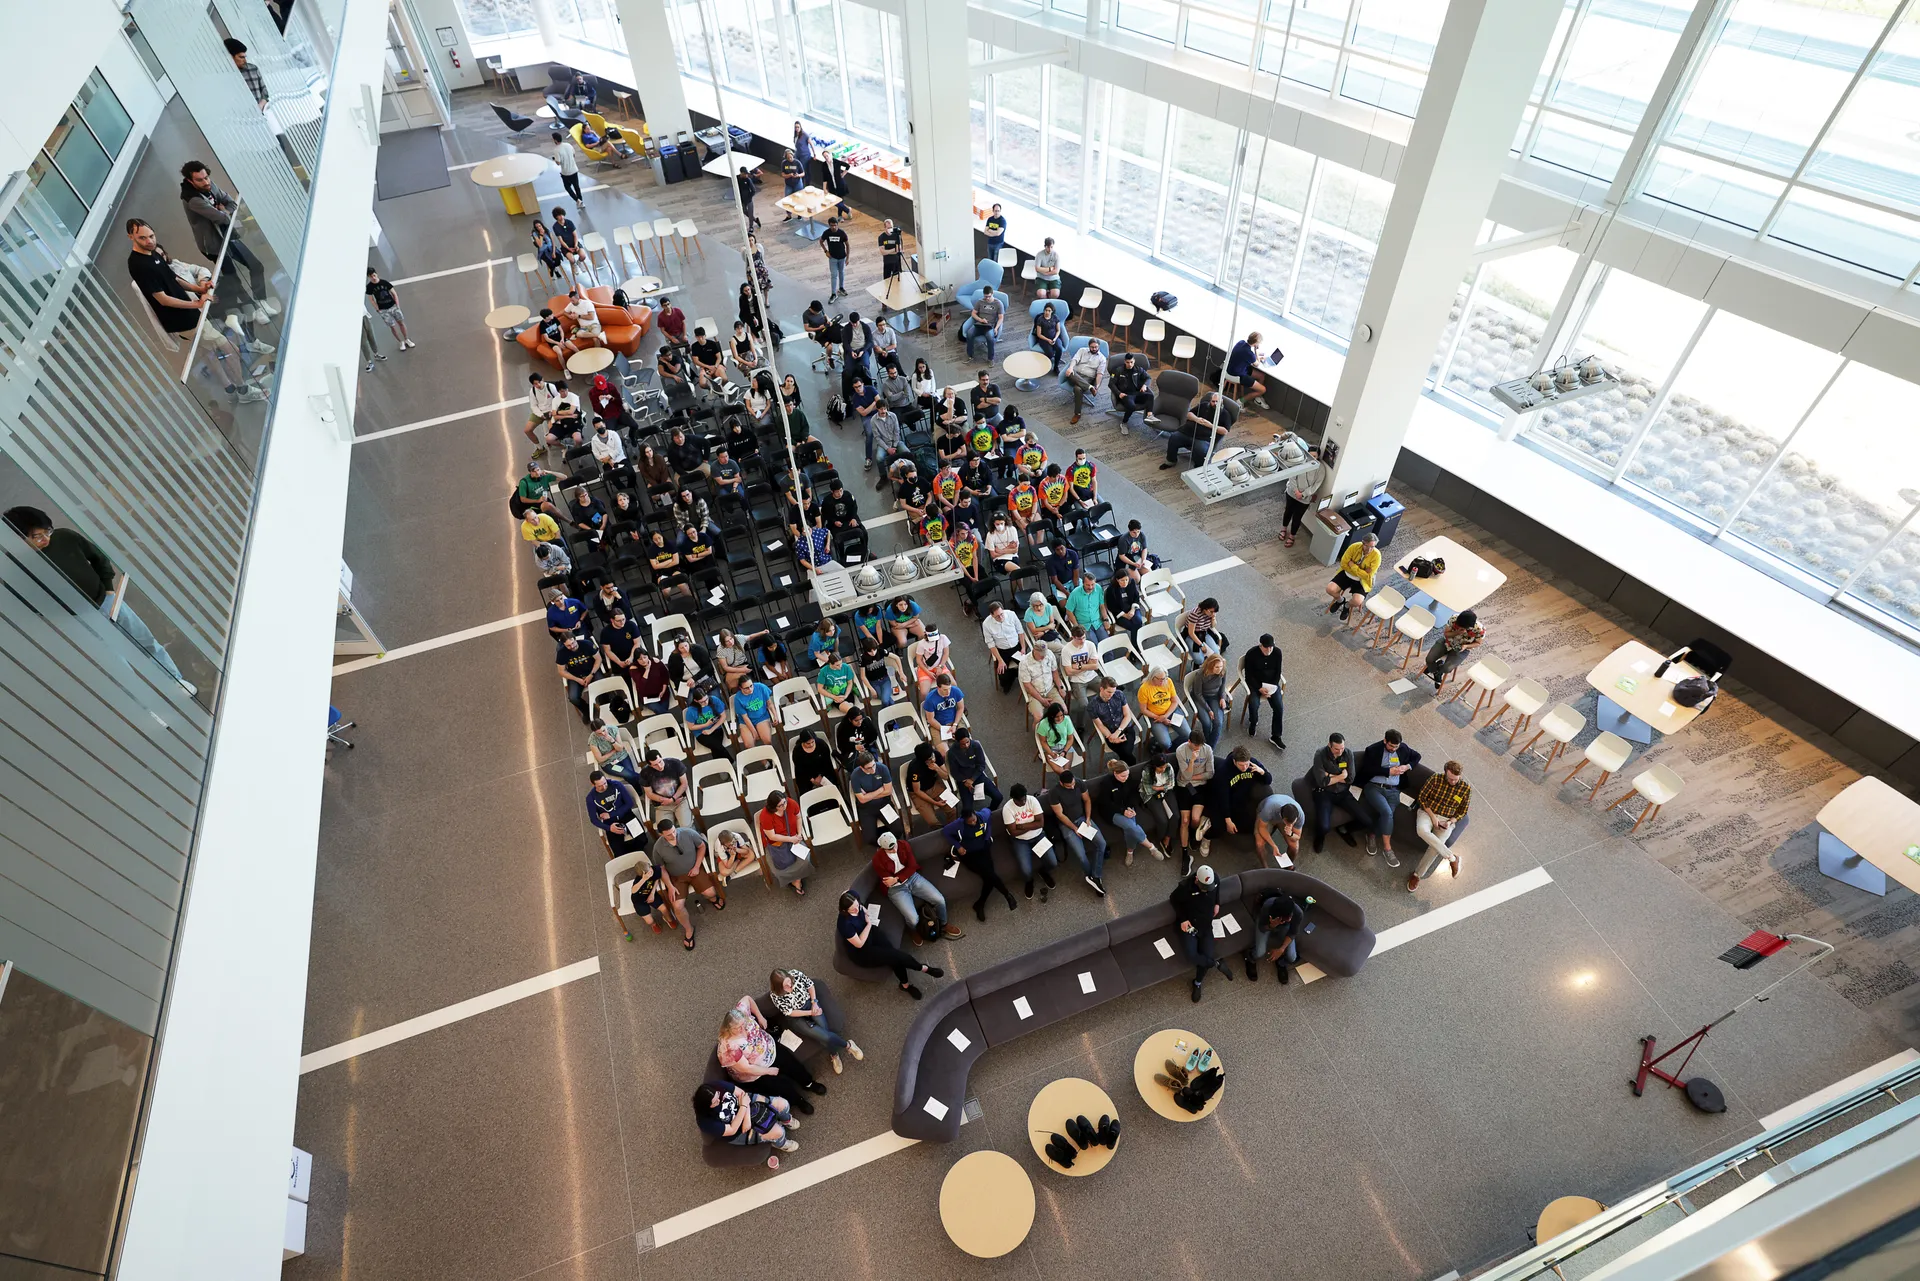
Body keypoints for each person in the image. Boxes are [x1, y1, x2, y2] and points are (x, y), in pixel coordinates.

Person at [5, 506, 195, 694]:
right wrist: (58, 614)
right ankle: (146, 705)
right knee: (117, 666)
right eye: (37, 536)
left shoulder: (64, 537)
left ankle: (175, 681)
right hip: (78, 619)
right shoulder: (16, 564)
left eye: (47, 531)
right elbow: (20, 598)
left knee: (145, 641)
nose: (46, 539)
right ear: (19, 538)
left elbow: (99, 559)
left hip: (106, 600)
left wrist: (109, 589)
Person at [124, 219, 265, 401]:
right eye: (142, 238)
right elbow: (162, 299)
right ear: (131, 237)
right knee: (229, 348)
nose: (149, 241)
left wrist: (199, 289)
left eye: (151, 236)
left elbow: (174, 279)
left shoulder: (153, 254)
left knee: (211, 351)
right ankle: (243, 390)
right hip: (185, 321)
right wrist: (197, 304)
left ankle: (232, 389)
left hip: (192, 315)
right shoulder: (138, 265)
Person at [180, 161, 271, 317]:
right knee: (233, 279)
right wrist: (223, 212)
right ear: (190, 181)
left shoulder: (209, 185)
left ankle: (261, 302)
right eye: (200, 180)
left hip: (227, 235)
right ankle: (255, 309)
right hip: (214, 246)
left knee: (256, 265)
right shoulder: (192, 199)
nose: (206, 182)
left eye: (206, 177)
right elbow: (221, 218)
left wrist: (224, 211)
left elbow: (231, 203)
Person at [717, 994, 825, 1111]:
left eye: (744, 1024)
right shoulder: (728, 1047)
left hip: (769, 1048)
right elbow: (747, 1068)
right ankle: (798, 1100)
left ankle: (808, 1083)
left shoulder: (741, 1012)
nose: (743, 1029)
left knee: (793, 1065)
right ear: (728, 1029)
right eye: (738, 1028)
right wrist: (768, 1071)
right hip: (756, 1072)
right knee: (780, 1086)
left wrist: (760, 1017)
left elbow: (747, 998)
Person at [838, 892, 945, 999]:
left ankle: (905, 985)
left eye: (857, 905)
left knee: (894, 957)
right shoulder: (845, 924)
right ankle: (923, 968)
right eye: (853, 909)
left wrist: (864, 911)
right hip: (863, 951)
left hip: (871, 934)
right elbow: (859, 944)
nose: (857, 909)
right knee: (895, 956)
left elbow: (854, 900)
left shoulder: (855, 901)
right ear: (844, 910)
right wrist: (869, 924)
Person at [871, 829, 962, 943]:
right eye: (890, 849)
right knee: (913, 919)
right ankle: (913, 930)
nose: (894, 850)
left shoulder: (903, 845)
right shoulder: (877, 859)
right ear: (883, 849)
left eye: (895, 846)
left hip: (912, 878)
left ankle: (943, 924)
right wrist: (897, 879)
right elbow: (888, 881)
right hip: (896, 889)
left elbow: (912, 866)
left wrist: (897, 878)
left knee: (939, 900)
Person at [769, 968, 862, 1073]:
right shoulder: (775, 995)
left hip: (810, 1004)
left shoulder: (795, 974)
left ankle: (834, 1054)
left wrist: (814, 1003)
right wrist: (810, 1013)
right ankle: (847, 1045)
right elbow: (790, 1012)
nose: (790, 985)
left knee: (824, 1031)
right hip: (797, 1017)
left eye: (789, 981)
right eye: (786, 985)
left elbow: (810, 985)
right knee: (822, 1035)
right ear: (778, 987)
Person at [693, 1082, 797, 1168]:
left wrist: (746, 1113)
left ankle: (786, 1120)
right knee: (778, 1132)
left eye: (718, 1096)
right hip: (739, 1131)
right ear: (707, 1106)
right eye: (715, 1102)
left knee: (783, 1104)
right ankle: (781, 1143)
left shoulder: (715, 1086)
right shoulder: (705, 1122)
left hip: (746, 1106)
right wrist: (743, 1105)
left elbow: (742, 1094)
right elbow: (732, 1129)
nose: (719, 1100)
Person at [1357, 728, 1421, 867]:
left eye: (1396, 747)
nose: (1393, 749)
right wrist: (1388, 771)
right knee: (1387, 813)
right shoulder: (1373, 749)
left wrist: (1406, 767)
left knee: (1388, 816)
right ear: (1385, 740)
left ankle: (1371, 835)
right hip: (1374, 787)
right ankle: (1387, 849)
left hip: (1394, 791)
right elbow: (1367, 769)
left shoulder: (1403, 748)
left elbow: (1417, 756)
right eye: (1391, 746)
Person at [1170, 865, 1234, 1002]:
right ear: (1196, 880)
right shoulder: (1185, 888)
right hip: (1190, 925)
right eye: (1204, 887)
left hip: (1206, 926)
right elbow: (1174, 899)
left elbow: (1217, 890)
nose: (1206, 890)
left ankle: (1197, 982)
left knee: (1206, 956)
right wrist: (1183, 919)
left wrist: (1217, 903)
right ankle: (1216, 964)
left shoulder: (1215, 879)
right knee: (1191, 955)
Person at [944, 804, 1017, 921]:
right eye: (969, 822)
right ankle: (1007, 895)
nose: (973, 823)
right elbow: (946, 831)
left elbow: (988, 813)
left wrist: (987, 837)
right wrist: (958, 846)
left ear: (975, 814)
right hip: (969, 855)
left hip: (983, 849)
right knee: (990, 875)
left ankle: (980, 904)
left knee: (989, 877)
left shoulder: (982, 816)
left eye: (973, 820)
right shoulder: (958, 824)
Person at [1409, 761, 1471, 892]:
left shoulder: (1465, 788)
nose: (1453, 782)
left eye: (1455, 779)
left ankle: (1417, 875)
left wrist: (1450, 822)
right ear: (1445, 773)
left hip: (1446, 820)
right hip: (1428, 813)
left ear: (1460, 776)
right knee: (1421, 830)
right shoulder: (1435, 779)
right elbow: (1422, 798)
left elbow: (1462, 811)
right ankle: (1452, 858)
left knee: (1434, 848)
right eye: (1450, 779)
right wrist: (1433, 817)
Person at [1045, 770, 1107, 895]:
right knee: (1081, 855)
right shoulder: (1054, 793)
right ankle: (1091, 876)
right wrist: (1074, 828)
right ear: (1061, 783)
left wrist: (1088, 818)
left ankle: (1095, 877)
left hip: (1082, 819)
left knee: (1102, 843)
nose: (1073, 787)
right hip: (1067, 825)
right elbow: (1060, 815)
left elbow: (1087, 800)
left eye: (1073, 784)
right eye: (1069, 786)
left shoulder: (1079, 783)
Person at [1095, 758, 1161, 866]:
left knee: (1129, 829)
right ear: (1115, 773)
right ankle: (1151, 847)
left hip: (1127, 807)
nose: (1126, 778)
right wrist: (1122, 811)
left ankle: (1130, 852)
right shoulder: (1106, 783)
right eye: (1123, 776)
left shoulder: (1128, 778)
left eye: (1127, 775)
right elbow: (1106, 803)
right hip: (1111, 812)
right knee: (1131, 826)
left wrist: (1130, 807)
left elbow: (1131, 794)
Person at [653, 817, 726, 912]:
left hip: (695, 869)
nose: (673, 835)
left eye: (674, 831)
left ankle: (713, 899)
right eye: (669, 835)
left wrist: (697, 867)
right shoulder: (657, 848)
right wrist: (670, 886)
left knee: (711, 893)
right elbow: (661, 868)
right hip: (676, 877)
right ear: (661, 835)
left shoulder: (688, 833)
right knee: (677, 906)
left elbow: (702, 846)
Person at [999, 783, 1057, 900]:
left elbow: (1040, 823)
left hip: (1039, 836)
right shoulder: (1007, 809)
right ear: (1013, 799)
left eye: (1024, 798)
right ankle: (1029, 881)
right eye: (1021, 800)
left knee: (1053, 862)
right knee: (1026, 870)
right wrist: (1032, 825)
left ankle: (1043, 871)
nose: (1024, 802)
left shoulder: (1032, 800)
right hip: (1020, 841)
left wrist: (1022, 826)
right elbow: (1013, 832)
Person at [1162, 391, 1238, 470]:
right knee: (1173, 438)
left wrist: (1210, 425)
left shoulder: (1225, 414)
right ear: (1210, 401)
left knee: (1200, 450)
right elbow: (1189, 414)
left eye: (1217, 401)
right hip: (1188, 432)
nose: (1215, 403)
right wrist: (1196, 419)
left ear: (1221, 401)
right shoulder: (1204, 405)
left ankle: (1197, 469)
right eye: (1213, 401)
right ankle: (1171, 461)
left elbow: (1225, 431)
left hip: (1204, 438)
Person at [1246, 889, 1306, 983]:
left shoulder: (1298, 913)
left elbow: (1293, 932)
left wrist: (1281, 949)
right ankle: (1250, 958)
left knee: (1292, 957)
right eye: (1286, 918)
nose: (1290, 919)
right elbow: (1262, 928)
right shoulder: (1268, 906)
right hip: (1268, 923)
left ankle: (1281, 963)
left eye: (1290, 916)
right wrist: (1271, 926)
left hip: (1285, 927)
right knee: (1260, 952)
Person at [1174, 730, 1215, 867]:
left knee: (1195, 819)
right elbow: (1185, 777)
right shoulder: (1181, 751)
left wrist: (1192, 777)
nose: (1198, 748)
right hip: (1184, 786)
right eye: (1195, 746)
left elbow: (1210, 773)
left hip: (1200, 786)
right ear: (1189, 742)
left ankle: (1193, 834)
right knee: (1185, 820)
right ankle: (1185, 852)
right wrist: (1191, 761)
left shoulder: (1207, 750)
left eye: (1200, 745)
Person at [758, 790, 811, 895]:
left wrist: (799, 834)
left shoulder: (791, 803)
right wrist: (791, 839)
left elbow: (798, 817)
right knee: (783, 865)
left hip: (793, 836)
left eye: (784, 802)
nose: (784, 806)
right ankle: (796, 880)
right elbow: (772, 836)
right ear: (773, 807)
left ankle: (797, 880)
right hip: (778, 842)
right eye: (780, 805)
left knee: (805, 858)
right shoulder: (765, 815)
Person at [1240, 633, 1286, 749]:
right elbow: (1249, 676)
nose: (1269, 650)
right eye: (1266, 647)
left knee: (1279, 708)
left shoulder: (1277, 652)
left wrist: (1271, 687)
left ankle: (1276, 736)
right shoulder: (1251, 654)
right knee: (1254, 703)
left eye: (1271, 647)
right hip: (1255, 684)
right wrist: (1259, 688)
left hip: (1271, 684)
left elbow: (1278, 672)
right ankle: (1253, 722)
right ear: (1260, 645)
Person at [1422, 610, 1485, 692]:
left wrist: (1466, 646)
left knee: (1447, 669)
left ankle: (1438, 671)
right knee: (1429, 659)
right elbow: (1446, 634)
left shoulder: (1479, 629)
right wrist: (1457, 632)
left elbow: (1478, 643)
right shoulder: (1453, 618)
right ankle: (1435, 671)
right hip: (1447, 642)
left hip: (1462, 649)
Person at [585, 770, 644, 854]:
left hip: (626, 815)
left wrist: (611, 814)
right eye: (600, 786)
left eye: (605, 783)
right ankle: (627, 854)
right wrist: (609, 828)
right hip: (610, 823)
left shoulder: (617, 785)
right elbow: (593, 819)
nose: (604, 787)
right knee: (618, 851)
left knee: (642, 839)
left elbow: (629, 803)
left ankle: (634, 852)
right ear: (593, 785)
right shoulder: (590, 798)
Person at [1326, 533, 1381, 621]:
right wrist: (1362, 571)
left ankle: (1347, 606)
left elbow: (1368, 576)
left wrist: (1352, 565)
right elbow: (1344, 564)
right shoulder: (1354, 547)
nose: (1369, 549)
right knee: (1330, 589)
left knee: (1357, 601)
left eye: (1372, 547)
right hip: (1346, 574)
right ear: (1363, 543)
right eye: (1367, 546)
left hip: (1362, 581)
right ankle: (1340, 601)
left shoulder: (1377, 555)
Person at [1280, 441, 1322, 548]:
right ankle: (1283, 529)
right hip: (1292, 493)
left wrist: (1303, 494)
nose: (1312, 458)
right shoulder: (1299, 462)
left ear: (1318, 457)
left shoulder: (1321, 469)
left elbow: (1316, 485)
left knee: (1297, 517)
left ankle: (1292, 536)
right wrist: (1296, 491)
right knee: (1288, 511)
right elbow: (1292, 476)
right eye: (1310, 455)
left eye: (1315, 456)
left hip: (1305, 498)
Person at [638, 749, 694, 828]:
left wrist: (673, 799)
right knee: (664, 829)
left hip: (680, 800)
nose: (659, 766)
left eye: (660, 762)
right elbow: (649, 793)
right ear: (650, 765)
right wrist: (666, 801)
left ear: (661, 757)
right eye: (655, 765)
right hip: (662, 805)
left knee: (686, 827)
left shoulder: (675, 763)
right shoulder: (645, 773)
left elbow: (684, 784)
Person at [556, 632, 602, 725]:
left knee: (602, 685)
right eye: (568, 645)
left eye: (573, 643)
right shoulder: (561, 653)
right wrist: (577, 680)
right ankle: (586, 710)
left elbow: (598, 659)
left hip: (591, 671)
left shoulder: (587, 644)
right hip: (575, 676)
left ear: (575, 639)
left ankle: (604, 703)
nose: (572, 646)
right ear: (564, 644)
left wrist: (591, 675)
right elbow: (561, 671)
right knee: (573, 698)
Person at [1254, 786, 1305, 869]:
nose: (1291, 825)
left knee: (1294, 847)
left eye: (1293, 822)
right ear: (1283, 819)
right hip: (1267, 817)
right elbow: (1261, 828)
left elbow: (1297, 837)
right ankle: (1265, 868)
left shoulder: (1300, 815)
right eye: (1289, 823)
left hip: (1282, 816)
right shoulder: (1268, 809)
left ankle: (1288, 866)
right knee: (1259, 845)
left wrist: (1291, 834)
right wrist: (1274, 846)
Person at [1189, 653, 1231, 748]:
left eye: (1221, 666)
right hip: (1200, 698)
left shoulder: (1223, 671)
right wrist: (1209, 710)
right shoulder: (1200, 674)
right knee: (1207, 723)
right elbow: (1198, 694)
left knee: (1218, 723)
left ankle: (1209, 747)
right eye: (1217, 667)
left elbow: (1222, 686)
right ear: (1210, 666)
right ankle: (1205, 741)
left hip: (1214, 697)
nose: (1219, 669)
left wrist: (1222, 698)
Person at [1137, 665, 1183, 753]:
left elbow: (1174, 701)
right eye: (1160, 679)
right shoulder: (1144, 689)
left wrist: (1165, 716)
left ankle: (1171, 749)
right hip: (1155, 717)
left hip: (1171, 711)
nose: (1163, 681)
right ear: (1153, 677)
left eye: (1164, 678)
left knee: (1188, 735)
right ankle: (1164, 747)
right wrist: (1161, 718)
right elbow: (1143, 710)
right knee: (1166, 743)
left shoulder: (1168, 681)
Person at [1064, 338, 1105, 425]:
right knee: (1069, 372)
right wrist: (1070, 367)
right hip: (1075, 374)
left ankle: (1077, 414)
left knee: (1077, 389)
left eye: (1096, 347)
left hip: (1087, 378)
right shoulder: (1082, 350)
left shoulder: (1102, 359)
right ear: (1089, 346)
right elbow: (1075, 359)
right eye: (1092, 347)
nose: (1094, 349)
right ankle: (1089, 387)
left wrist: (1097, 386)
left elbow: (1100, 374)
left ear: (1099, 346)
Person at [1225, 330, 1271, 409]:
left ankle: (1257, 398)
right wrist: (1256, 351)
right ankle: (1240, 401)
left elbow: (1247, 357)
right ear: (1256, 343)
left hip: (1232, 368)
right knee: (1263, 390)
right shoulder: (1249, 353)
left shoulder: (1241, 342)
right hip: (1237, 374)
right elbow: (1257, 364)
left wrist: (1256, 357)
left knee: (1261, 376)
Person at [1111, 353, 1153, 431]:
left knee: (1150, 396)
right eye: (1127, 362)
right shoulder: (1118, 370)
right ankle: (1124, 422)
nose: (1130, 364)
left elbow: (1148, 378)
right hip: (1125, 395)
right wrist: (1119, 393)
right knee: (1131, 406)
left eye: (1131, 362)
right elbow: (1111, 384)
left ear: (1134, 361)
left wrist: (1145, 385)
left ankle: (1149, 416)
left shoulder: (1139, 369)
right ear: (1124, 362)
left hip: (1137, 393)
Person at [966, 285, 1005, 362]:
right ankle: (970, 356)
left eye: (989, 296)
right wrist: (980, 320)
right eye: (985, 296)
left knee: (990, 337)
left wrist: (996, 328)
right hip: (979, 324)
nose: (987, 298)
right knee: (969, 333)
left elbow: (1001, 318)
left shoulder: (998, 303)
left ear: (992, 294)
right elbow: (973, 313)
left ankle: (990, 359)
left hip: (990, 326)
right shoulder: (980, 302)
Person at [820, 215, 851, 300]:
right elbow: (821, 241)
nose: (833, 227)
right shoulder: (827, 233)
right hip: (832, 258)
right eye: (831, 225)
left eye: (835, 225)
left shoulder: (842, 233)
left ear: (837, 224)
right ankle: (833, 293)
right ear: (829, 225)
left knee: (841, 273)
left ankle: (841, 288)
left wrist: (847, 258)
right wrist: (826, 251)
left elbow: (847, 245)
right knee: (834, 275)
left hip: (842, 257)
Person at [1030, 302, 1064, 374]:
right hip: (1044, 339)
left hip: (1054, 338)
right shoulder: (1040, 319)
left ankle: (1056, 367)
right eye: (1046, 310)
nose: (1047, 312)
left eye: (1049, 311)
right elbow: (1039, 334)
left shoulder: (1055, 317)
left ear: (1052, 311)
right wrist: (1048, 340)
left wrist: (1055, 339)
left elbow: (1058, 330)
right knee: (1050, 353)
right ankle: (1043, 365)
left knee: (1059, 349)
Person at [551, 128, 583, 203]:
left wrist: (555, 159)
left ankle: (577, 200)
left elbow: (558, 163)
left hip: (566, 172)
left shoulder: (556, 150)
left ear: (555, 140)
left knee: (567, 187)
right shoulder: (568, 145)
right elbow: (574, 155)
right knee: (577, 187)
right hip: (574, 169)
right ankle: (581, 201)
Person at [735, 164, 760, 231]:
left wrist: (750, 196)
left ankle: (751, 226)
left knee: (750, 213)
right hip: (742, 199)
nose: (746, 175)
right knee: (745, 211)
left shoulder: (748, 180)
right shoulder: (737, 179)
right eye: (745, 174)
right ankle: (755, 220)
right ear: (741, 173)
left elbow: (753, 190)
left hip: (749, 199)